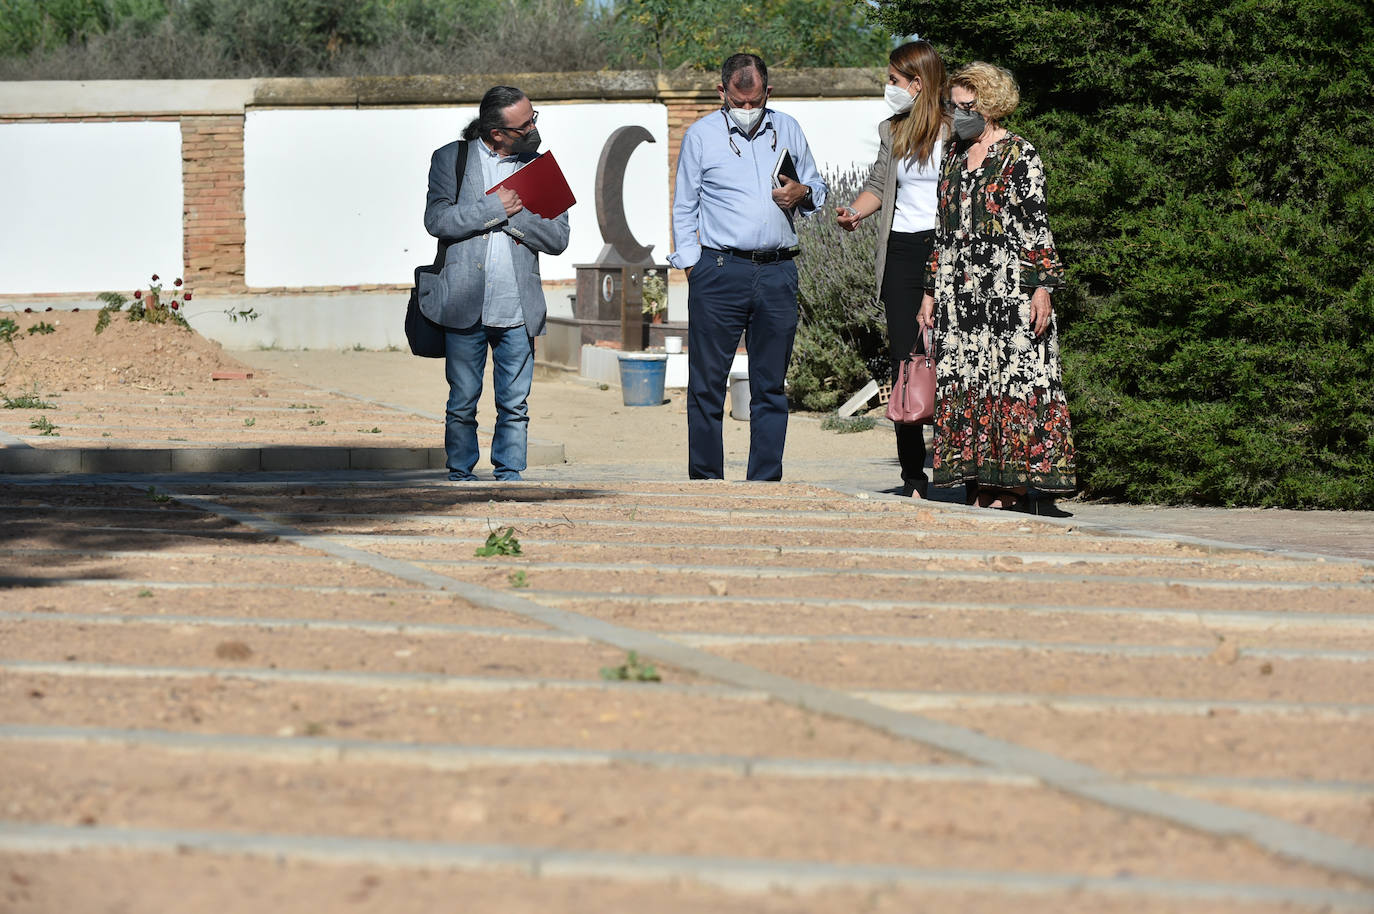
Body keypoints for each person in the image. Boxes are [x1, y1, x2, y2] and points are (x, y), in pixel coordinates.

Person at [918, 62, 1077, 508]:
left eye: (966, 106)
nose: (957, 113)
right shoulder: (951, 154)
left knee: (1012, 381)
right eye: (953, 104)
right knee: (968, 382)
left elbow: (1036, 228)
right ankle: (981, 484)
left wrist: (1041, 287)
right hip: (958, 294)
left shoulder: (1019, 154)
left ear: (990, 106)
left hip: (1007, 290)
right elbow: (941, 228)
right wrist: (930, 291)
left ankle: (1014, 488)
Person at [668, 53, 828, 481]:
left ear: (768, 93)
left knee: (770, 385)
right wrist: (692, 265)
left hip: (777, 271)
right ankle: (705, 480)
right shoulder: (701, 135)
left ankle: (764, 482)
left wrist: (803, 192)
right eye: (738, 103)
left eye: (754, 102)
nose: (746, 111)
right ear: (722, 93)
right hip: (719, 270)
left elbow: (818, 189)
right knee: (706, 385)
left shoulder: (788, 127)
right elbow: (685, 206)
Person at [422, 86, 570, 481]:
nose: (534, 128)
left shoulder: (540, 168)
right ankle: (460, 474)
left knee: (515, 403)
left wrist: (511, 216)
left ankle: (510, 474)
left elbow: (558, 239)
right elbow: (437, 221)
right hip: (464, 302)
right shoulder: (450, 159)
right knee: (463, 400)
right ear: (496, 132)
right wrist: (492, 208)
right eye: (525, 125)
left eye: (534, 117)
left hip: (518, 306)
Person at [836, 39, 949, 498]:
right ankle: (913, 477)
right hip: (901, 253)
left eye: (894, 80)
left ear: (917, 83)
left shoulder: (957, 131)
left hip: (947, 252)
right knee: (907, 364)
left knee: (954, 360)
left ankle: (962, 466)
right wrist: (856, 213)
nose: (889, 87)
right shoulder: (892, 131)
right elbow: (878, 184)